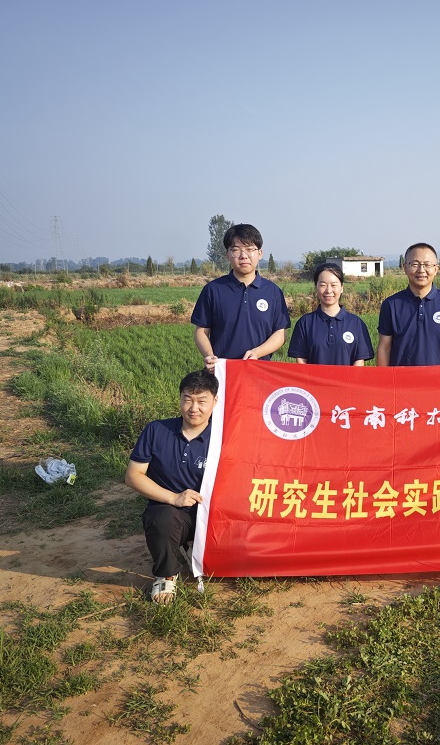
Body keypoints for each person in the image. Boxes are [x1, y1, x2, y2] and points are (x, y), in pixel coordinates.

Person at [125, 369, 218, 604]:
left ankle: (197, 550)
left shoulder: (223, 436)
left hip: (212, 516)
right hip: (172, 510)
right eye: (188, 399)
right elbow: (134, 475)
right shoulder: (156, 431)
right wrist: (173, 498)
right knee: (163, 518)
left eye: (201, 401)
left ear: (215, 402)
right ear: (180, 399)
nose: (193, 408)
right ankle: (166, 574)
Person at [191, 223, 291, 373]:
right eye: (236, 250)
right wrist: (209, 356)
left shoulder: (272, 292)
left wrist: (258, 352)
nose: (243, 256)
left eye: (250, 249)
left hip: (260, 371)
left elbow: (280, 333)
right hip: (222, 373)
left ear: (260, 253)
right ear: (227, 254)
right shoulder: (213, 290)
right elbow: (201, 331)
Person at [376, 243, 440, 366]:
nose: (421, 270)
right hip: (403, 382)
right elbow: (385, 348)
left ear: (436, 269)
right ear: (405, 267)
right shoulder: (391, 305)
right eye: (414, 264)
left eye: (427, 265)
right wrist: (384, 381)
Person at [288, 262, 375, 366]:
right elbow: (301, 361)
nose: (328, 290)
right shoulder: (305, 323)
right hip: (314, 382)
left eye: (334, 285)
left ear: (342, 287)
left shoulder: (356, 324)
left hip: (346, 382)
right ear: (316, 287)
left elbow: (359, 361)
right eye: (323, 285)